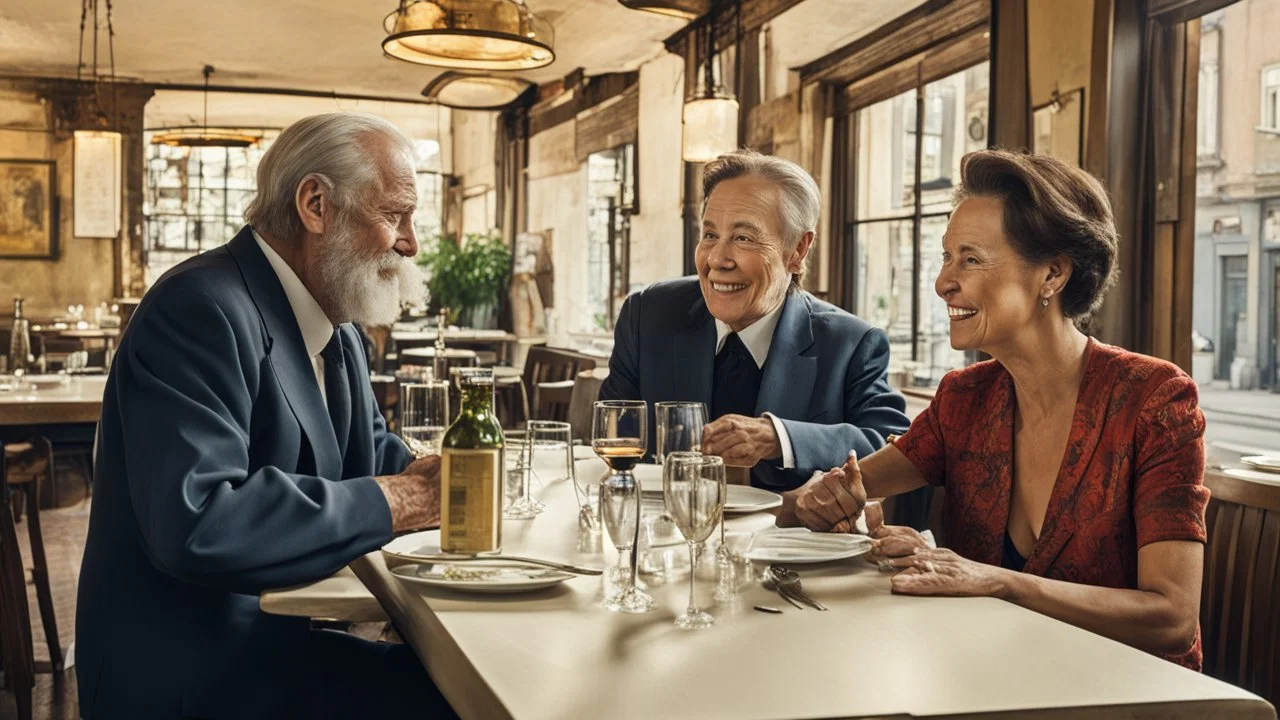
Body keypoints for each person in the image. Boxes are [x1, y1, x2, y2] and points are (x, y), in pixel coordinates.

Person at [76, 113, 456, 718]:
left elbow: (369, 455)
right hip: (193, 676)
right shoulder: (198, 307)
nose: (410, 243)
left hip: (283, 641)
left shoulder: (340, 326)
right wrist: (404, 499)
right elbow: (200, 521)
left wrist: (457, 472)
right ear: (315, 205)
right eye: (394, 215)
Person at [781, 149, 1209, 670]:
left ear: (1052, 275)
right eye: (946, 257)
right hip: (992, 675)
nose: (943, 283)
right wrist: (830, 504)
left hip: (1126, 691)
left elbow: (1172, 617)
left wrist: (995, 581)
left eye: (971, 259)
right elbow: (838, 491)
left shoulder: (1154, 399)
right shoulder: (965, 398)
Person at [599, 150, 909, 490]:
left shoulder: (851, 344)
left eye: (744, 238)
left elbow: (893, 444)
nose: (717, 259)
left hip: (786, 540)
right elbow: (613, 435)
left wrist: (780, 437)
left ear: (798, 251)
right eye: (710, 235)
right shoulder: (648, 315)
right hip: (663, 533)